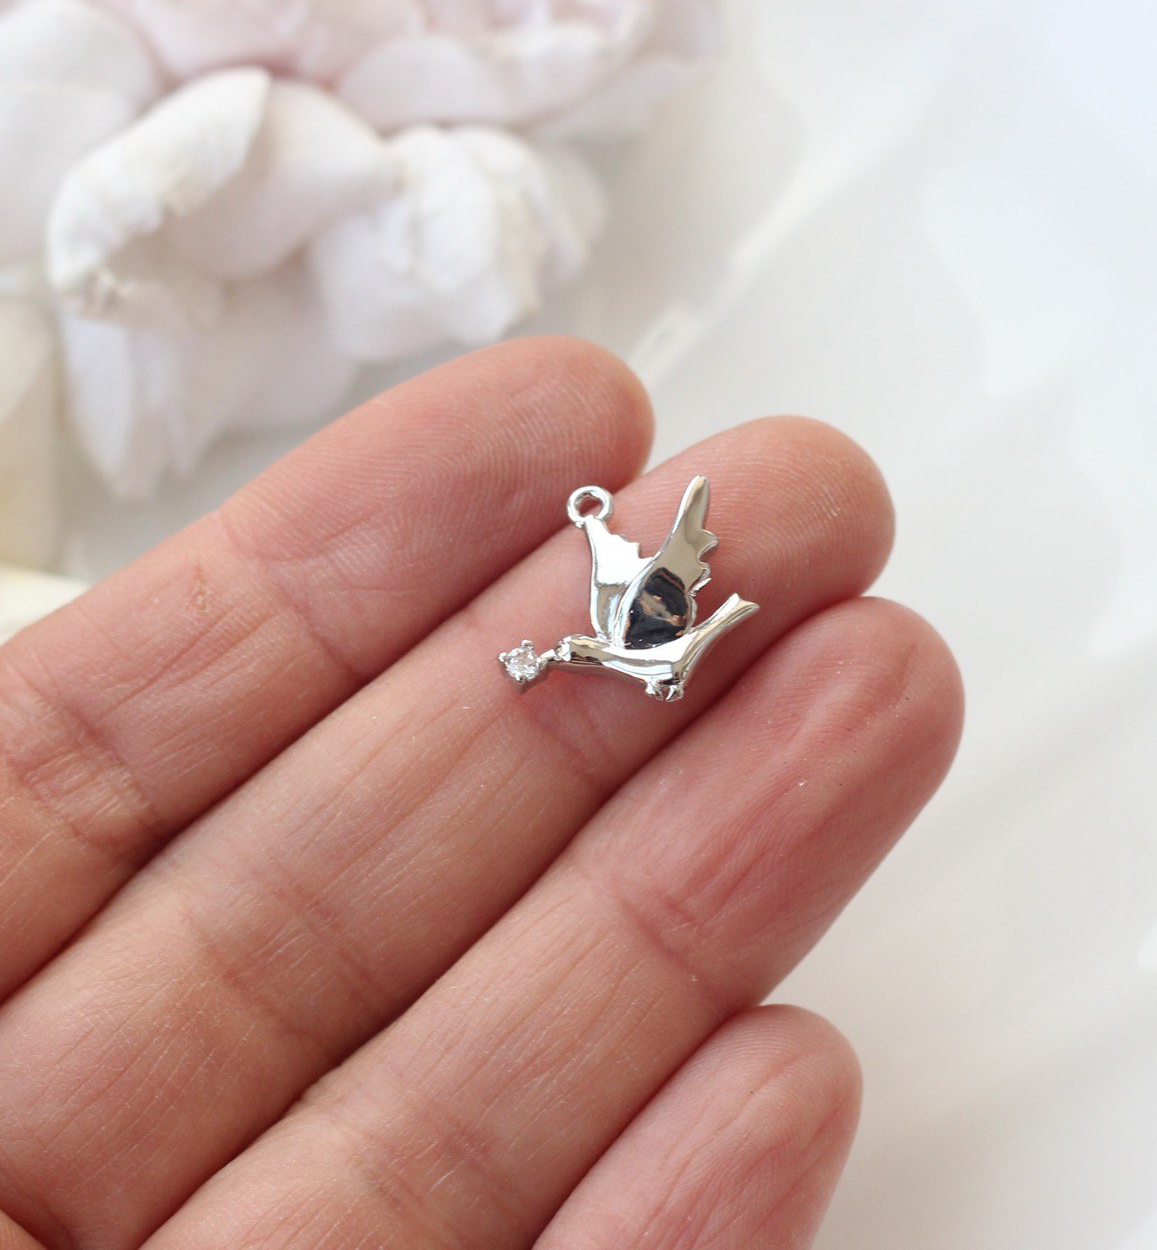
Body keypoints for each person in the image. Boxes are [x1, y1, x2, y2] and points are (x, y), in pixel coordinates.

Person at [0, 338, 962, 1250]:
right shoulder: (624, 611)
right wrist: (596, 555)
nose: (677, 586)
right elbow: (614, 610)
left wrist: (649, 602)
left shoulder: (642, 619)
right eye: (681, 579)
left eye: (685, 579)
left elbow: (633, 624)